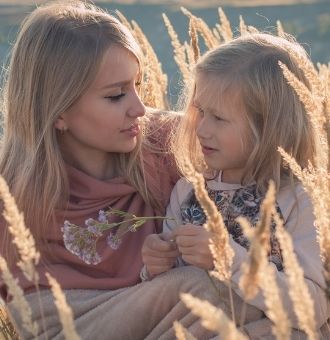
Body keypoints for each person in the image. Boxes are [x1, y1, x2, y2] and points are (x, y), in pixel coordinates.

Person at [0, 1, 232, 339]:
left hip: (164, 309)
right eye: (115, 96)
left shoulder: (165, 142)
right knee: (201, 291)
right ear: (57, 110)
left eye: (137, 85)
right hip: (70, 321)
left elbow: (264, 169)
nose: (139, 108)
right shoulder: (12, 192)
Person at [142, 33, 330, 338]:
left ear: (268, 127)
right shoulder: (190, 193)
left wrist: (229, 260)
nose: (201, 128)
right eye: (200, 111)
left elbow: (312, 309)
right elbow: (173, 294)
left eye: (218, 117)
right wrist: (154, 266)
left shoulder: (298, 199)